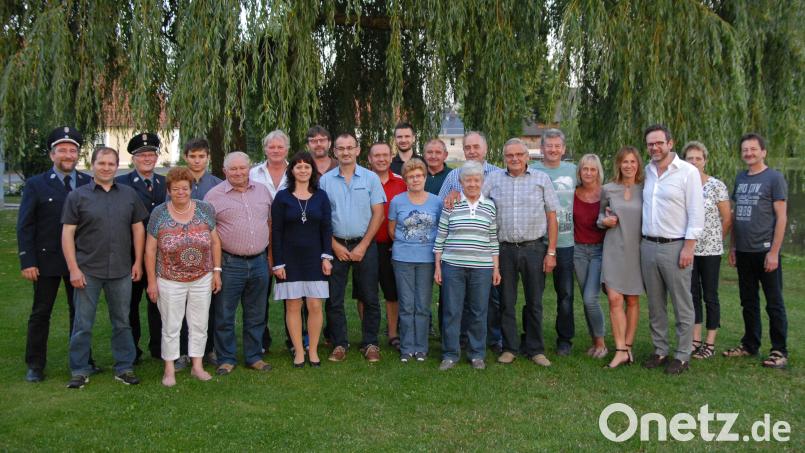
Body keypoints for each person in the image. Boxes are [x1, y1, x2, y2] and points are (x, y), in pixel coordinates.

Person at [62, 146, 149, 388]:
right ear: (92, 165)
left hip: (121, 269)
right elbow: (67, 234)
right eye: (102, 163)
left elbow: (138, 228)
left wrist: (138, 262)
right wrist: (73, 269)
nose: (106, 168)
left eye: (111, 164)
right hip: (88, 269)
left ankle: (124, 367)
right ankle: (79, 369)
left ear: (117, 166)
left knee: (122, 321)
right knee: (82, 323)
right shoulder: (77, 196)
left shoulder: (129, 194)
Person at [17, 126, 95, 382]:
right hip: (46, 260)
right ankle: (35, 364)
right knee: (41, 313)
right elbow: (25, 225)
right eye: (62, 150)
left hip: (81, 260)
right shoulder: (36, 184)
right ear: (52, 155)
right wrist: (27, 260)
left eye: (73, 150)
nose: (68, 155)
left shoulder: (88, 183)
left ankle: (84, 360)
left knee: (80, 313)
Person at [483, 139, 558, 367]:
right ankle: (509, 347)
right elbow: (479, 204)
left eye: (518, 154)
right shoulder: (493, 179)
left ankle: (535, 348)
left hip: (534, 248)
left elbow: (552, 217)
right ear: (504, 157)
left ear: (527, 157)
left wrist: (551, 252)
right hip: (504, 249)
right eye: (509, 155)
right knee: (506, 301)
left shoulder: (541, 179)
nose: (514, 159)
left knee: (534, 301)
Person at [145, 167, 222, 386]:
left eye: (185, 188)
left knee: (199, 323)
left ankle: (197, 366)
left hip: (202, 277)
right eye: (176, 189)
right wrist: (152, 281)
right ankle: (169, 368)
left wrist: (217, 271)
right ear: (169, 190)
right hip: (169, 278)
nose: (181, 192)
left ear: (191, 189)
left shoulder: (205, 209)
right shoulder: (159, 213)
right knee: (171, 325)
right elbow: (150, 250)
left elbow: (215, 241)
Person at [640, 124, 704, 375]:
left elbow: (696, 213)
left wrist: (689, 247)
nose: (654, 147)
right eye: (650, 144)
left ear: (670, 143)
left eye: (659, 143)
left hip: (675, 246)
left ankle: (682, 354)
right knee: (655, 304)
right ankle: (660, 350)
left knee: (682, 303)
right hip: (648, 245)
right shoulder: (647, 171)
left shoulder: (687, 172)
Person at [204, 151, 273, 375]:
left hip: (259, 262)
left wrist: (271, 257)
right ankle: (226, 358)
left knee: (256, 313)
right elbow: (207, 233)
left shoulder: (262, 191)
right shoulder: (213, 196)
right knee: (225, 314)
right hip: (229, 263)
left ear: (249, 168)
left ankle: (254, 356)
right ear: (224, 171)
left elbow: (270, 223)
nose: (238, 172)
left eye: (242, 168)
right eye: (232, 169)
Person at [319, 133, 386, 363]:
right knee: (334, 298)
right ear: (334, 152)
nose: (345, 152)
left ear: (357, 150)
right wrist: (334, 245)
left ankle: (370, 343)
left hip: (364, 245)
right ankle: (339, 343)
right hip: (335, 245)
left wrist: (364, 245)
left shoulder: (370, 179)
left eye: (350, 148)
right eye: (341, 148)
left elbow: (378, 213)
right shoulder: (325, 181)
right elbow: (321, 218)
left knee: (369, 296)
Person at [725, 133, 789, 369]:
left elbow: (782, 218)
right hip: (743, 251)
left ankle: (779, 350)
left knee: (773, 302)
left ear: (763, 152)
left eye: (753, 149)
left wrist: (774, 252)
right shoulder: (741, 178)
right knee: (748, 300)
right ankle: (750, 344)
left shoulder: (774, 178)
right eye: (745, 150)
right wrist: (732, 246)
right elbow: (735, 215)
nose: (749, 153)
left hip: (765, 251)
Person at [437, 131, 503, 352]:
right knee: (456, 305)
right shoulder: (454, 176)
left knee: (487, 302)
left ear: (485, 148)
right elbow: (442, 205)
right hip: (457, 250)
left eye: (476, 147)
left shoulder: (497, 174)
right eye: (468, 147)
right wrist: (452, 195)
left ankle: (491, 340)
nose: (472, 151)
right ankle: (458, 343)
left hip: (485, 250)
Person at [271, 152, 333, 368]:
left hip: (315, 258)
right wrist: (277, 263)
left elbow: (327, 228)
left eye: (307, 166)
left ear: (312, 171)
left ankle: (313, 350)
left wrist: (327, 257)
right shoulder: (282, 197)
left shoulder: (321, 196)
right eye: (299, 167)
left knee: (315, 305)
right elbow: (276, 232)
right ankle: (298, 351)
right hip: (290, 259)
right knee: (293, 305)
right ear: (292, 171)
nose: (303, 170)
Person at [115, 132, 166, 363]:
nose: (147, 158)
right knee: (130, 305)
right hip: (131, 255)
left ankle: (158, 347)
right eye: (141, 154)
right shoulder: (121, 184)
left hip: (159, 255)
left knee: (158, 303)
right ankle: (132, 351)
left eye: (151, 154)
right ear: (133, 158)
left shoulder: (165, 183)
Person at [388, 158, 443, 362]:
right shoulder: (397, 201)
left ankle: (421, 347)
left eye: (419, 175)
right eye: (411, 176)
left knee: (422, 304)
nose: (415, 179)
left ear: (425, 177)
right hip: (403, 258)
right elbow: (392, 230)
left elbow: (440, 229)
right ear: (405, 179)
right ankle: (406, 347)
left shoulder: (436, 201)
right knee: (406, 304)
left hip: (427, 259)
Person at [681, 141, 731, 359]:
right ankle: (695, 339)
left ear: (705, 160)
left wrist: (717, 240)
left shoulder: (716, 186)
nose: (694, 162)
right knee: (692, 294)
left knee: (710, 295)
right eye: (689, 158)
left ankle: (710, 343)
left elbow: (727, 218)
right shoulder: (682, 185)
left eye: (698, 158)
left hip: (710, 251)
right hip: (688, 249)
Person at [531, 128, 577, 356]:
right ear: (541, 149)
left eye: (557, 146)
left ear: (563, 149)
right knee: (534, 294)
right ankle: (531, 336)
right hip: (538, 241)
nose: (553, 149)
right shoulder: (532, 170)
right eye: (548, 146)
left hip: (567, 242)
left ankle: (565, 339)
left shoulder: (573, 170)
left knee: (566, 294)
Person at [598, 147, 645, 369]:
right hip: (613, 248)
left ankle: (628, 346)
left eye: (632, 162)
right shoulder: (607, 189)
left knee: (633, 300)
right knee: (614, 299)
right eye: (624, 162)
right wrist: (603, 222)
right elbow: (599, 216)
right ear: (618, 164)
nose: (628, 166)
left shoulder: (646, 189)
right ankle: (619, 349)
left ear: (638, 165)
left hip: (637, 251)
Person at [358, 142, 407, 350]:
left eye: (385, 155)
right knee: (363, 292)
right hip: (365, 243)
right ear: (369, 159)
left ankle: (393, 333)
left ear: (391, 156)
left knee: (391, 291)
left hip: (390, 244)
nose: (381, 159)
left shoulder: (401, 182)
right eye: (376, 155)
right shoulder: (362, 181)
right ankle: (367, 332)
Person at [181, 137, 223, 365]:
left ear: (208, 158)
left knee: (211, 304)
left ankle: (210, 349)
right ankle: (185, 351)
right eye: (192, 156)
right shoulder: (177, 182)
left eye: (201, 157)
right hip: (181, 253)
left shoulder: (217, 184)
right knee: (183, 305)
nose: (197, 161)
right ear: (185, 157)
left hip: (209, 253)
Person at [250, 130, 290, 353]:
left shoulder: (296, 172)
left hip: (291, 240)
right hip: (261, 238)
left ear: (287, 149)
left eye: (280, 147)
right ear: (265, 149)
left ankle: (294, 339)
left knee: (292, 294)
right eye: (271, 147)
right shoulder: (253, 173)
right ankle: (260, 341)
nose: (275, 150)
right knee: (259, 295)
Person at [572, 154, 608, 359]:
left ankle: (601, 344)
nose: (588, 173)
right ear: (580, 171)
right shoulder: (573, 193)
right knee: (586, 298)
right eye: (585, 169)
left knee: (590, 298)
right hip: (578, 250)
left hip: (599, 251)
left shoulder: (606, 193)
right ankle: (595, 342)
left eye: (592, 169)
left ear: (598, 172)